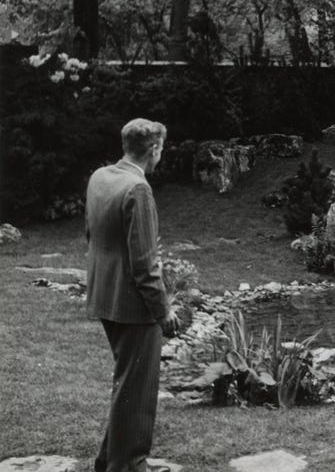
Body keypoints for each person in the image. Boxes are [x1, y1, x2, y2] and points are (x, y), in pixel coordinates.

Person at [86, 118, 179, 472]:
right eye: (161, 150)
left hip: (104, 296)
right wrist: (163, 311)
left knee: (128, 381)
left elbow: (90, 235)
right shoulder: (138, 189)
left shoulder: (100, 177)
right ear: (153, 150)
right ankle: (129, 464)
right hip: (132, 305)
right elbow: (144, 263)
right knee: (138, 390)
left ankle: (108, 460)